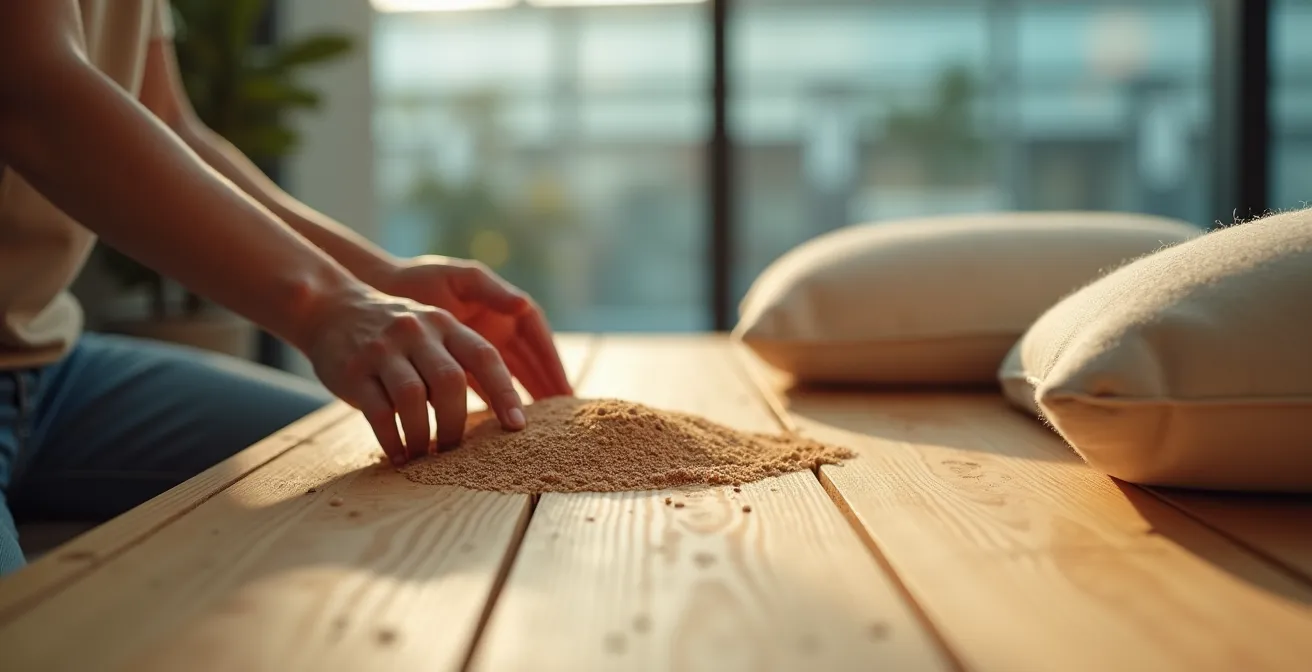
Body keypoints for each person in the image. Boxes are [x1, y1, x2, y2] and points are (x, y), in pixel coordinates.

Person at [0, 1, 572, 575]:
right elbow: (32, 93)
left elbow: (166, 123)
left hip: (52, 372)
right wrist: (325, 304)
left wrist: (375, 279)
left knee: (362, 464)